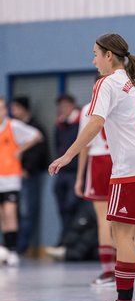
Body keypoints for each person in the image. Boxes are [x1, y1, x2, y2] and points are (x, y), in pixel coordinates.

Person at [48, 33, 135, 301]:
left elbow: (95, 124)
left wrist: (67, 155)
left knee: (122, 236)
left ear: (109, 55)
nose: (93, 60)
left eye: (95, 54)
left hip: (129, 171)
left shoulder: (107, 84)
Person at [74, 100, 115, 286]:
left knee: (104, 221)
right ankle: (126, 270)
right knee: (123, 221)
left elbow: (85, 144)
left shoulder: (88, 108)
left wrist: (80, 177)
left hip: (99, 161)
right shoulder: (123, 100)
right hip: (121, 160)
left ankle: (108, 272)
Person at [0, 97, 42, 266]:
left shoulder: (13, 126)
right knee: (2, 217)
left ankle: (12, 250)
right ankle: (6, 249)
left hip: (11, 178)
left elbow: (37, 136)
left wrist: (20, 149)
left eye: (2, 108)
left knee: (10, 214)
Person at [11, 96, 49, 254]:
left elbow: (39, 147)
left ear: (23, 108)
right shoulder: (12, 126)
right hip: (11, 176)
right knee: (12, 212)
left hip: (28, 175)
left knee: (26, 211)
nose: (13, 111)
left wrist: (27, 168)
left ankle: (21, 247)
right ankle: (11, 245)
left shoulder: (34, 127)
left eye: (15, 108)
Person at [46, 94, 82, 255]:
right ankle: (64, 240)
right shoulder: (59, 124)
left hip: (74, 171)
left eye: (66, 105)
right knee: (62, 208)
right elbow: (57, 145)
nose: (63, 108)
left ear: (73, 105)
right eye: (61, 106)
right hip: (62, 172)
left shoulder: (80, 122)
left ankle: (69, 242)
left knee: (72, 207)